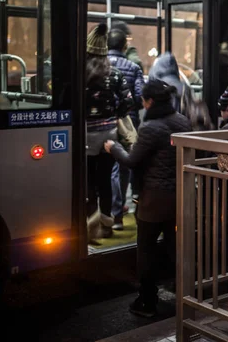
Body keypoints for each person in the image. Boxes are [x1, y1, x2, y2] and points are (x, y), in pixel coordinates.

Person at [104, 79, 192, 318]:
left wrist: (114, 148)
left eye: (143, 100)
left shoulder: (151, 127)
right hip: (179, 197)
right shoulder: (182, 121)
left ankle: (147, 301)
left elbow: (133, 161)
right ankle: (188, 297)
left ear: (150, 101)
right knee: (176, 248)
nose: (141, 104)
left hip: (154, 201)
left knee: (146, 250)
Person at [85, 23, 133, 241]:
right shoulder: (114, 74)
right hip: (108, 136)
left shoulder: (79, 73)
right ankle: (106, 225)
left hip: (83, 136)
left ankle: (88, 226)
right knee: (105, 181)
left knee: (87, 183)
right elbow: (127, 104)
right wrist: (113, 114)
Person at [108, 28, 145, 230]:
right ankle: (118, 213)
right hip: (126, 123)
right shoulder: (133, 67)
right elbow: (139, 97)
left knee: (103, 169)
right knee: (121, 168)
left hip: (100, 124)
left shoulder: (96, 65)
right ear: (124, 46)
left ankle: (102, 213)